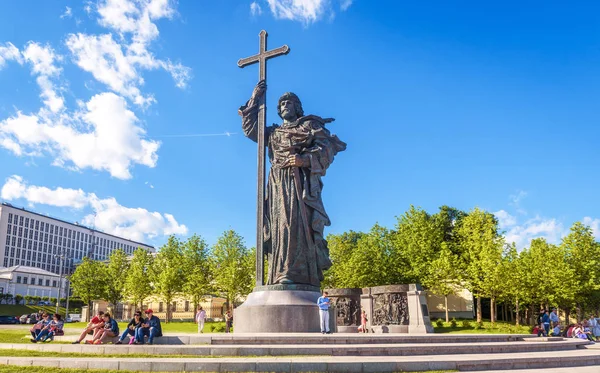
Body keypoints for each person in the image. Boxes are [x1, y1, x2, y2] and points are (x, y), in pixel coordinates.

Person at [239, 81, 346, 287]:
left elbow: (327, 148)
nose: (285, 105)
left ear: (297, 107)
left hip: (300, 184)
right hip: (277, 183)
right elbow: (251, 129)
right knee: (279, 227)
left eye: (290, 102)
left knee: (294, 224)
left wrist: (304, 160)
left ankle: (295, 272)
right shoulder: (274, 133)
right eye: (282, 104)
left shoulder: (309, 126)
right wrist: (255, 99)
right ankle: (278, 272)